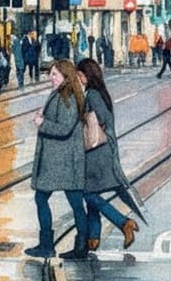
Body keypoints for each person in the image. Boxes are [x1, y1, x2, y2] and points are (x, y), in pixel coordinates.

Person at [24, 59, 89, 259]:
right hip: (61, 159)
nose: (51, 78)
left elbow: (65, 128)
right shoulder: (62, 94)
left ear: (65, 77)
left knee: (45, 198)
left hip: (61, 159)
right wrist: (44, 118)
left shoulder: (66, 97)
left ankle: (48, 245)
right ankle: (80, 245)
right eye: (51, 74)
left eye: (55, 74)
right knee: (74, 202)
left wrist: (42, 123)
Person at [77, 58, 140, 252]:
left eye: (80, 75)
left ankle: (123, 222)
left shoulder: (93, 94)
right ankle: (93, 238)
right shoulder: (98, 92)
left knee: (88, 193)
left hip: (98, 151)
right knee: (91, 191)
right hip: (100, 150)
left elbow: (103, 119)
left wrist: (84, 122)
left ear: (88, 75)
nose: (78, 78)